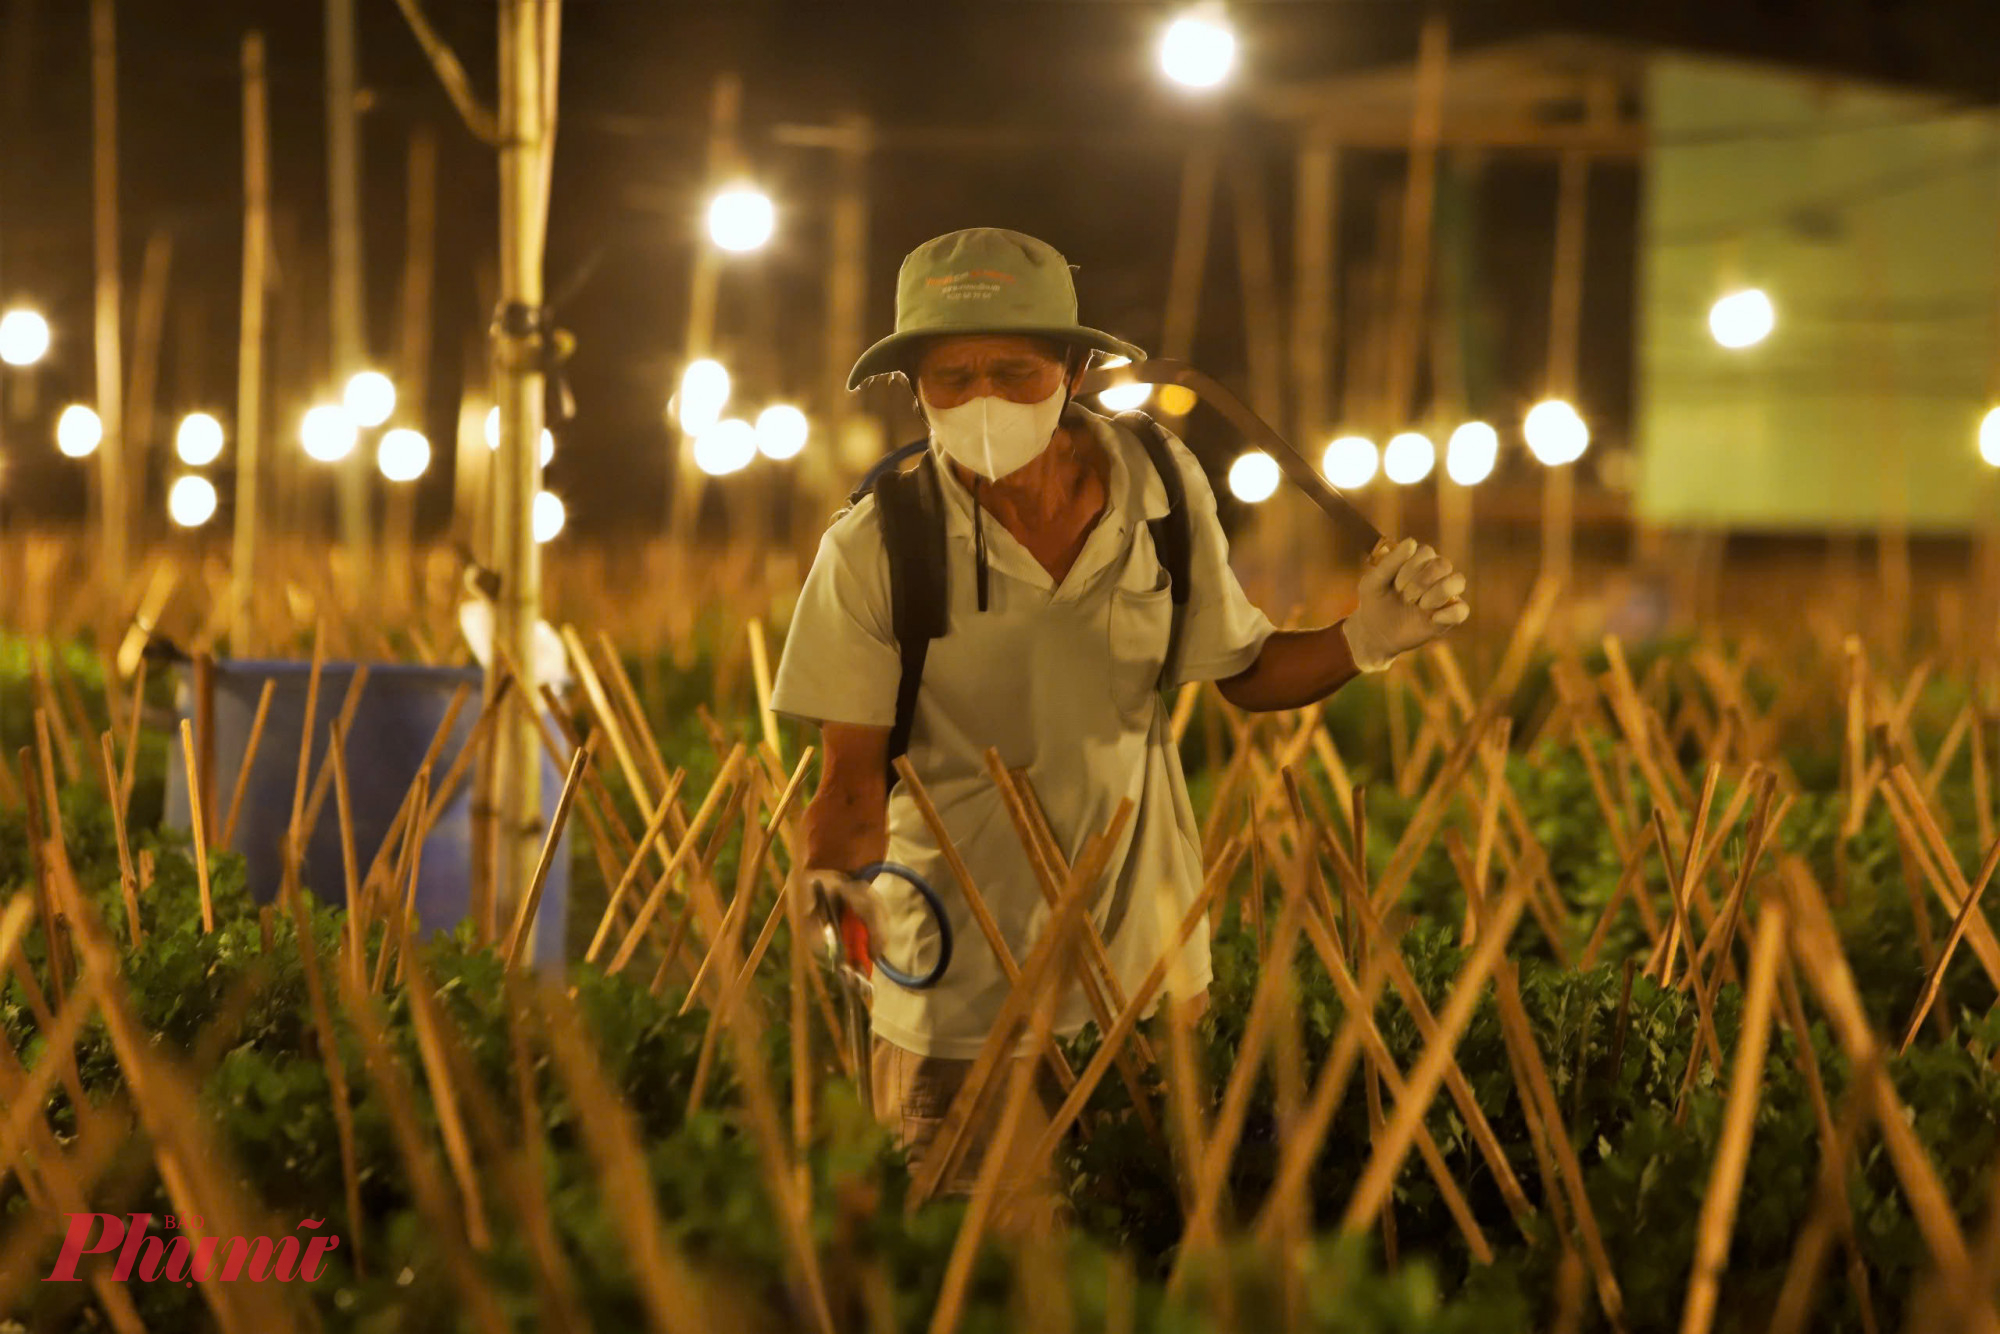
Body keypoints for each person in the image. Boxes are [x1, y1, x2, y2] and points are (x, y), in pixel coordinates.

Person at [769, 228, 1467, 1201]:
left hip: (1148, 981)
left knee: (1147, 1257)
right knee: (972, 1271)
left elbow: (1242, 668)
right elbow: (848, 783)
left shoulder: (1163, 489)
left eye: (1011, 372)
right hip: (958, 996)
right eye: (948, 376)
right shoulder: (878, 545)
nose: (978, 400)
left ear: (1077, 368)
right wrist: (837, 925)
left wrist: (1363, 636)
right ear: (912, 385)